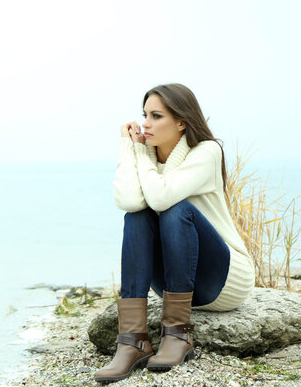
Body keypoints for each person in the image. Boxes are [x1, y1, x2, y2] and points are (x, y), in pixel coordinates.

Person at [94, 83, 255, 383]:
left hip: (223, 278)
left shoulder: (207, 151)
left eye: (156, 116)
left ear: (182, 122)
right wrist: (129, 148)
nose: (145, 124)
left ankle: (178, 335)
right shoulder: (147, 154)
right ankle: (132, 341)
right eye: (144, 115)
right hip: (171, 282)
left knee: (175, 209)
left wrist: (141, 153)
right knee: (137, 215)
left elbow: (161, 197)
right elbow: (130, 201)